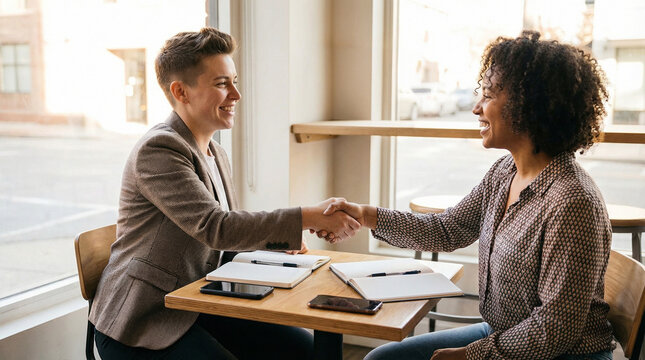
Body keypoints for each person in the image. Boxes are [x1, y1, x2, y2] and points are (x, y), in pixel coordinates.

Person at [323, 31, 615, 360]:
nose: (476, 107)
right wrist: (366, 215)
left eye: (488, 95)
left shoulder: (572, 202)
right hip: (505, 333)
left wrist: (470, 356)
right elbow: (449, 228)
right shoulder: (505, 171)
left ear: (529, 105)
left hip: (560, 354)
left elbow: (554, 329)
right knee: (382, 358)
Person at [89, 27, 359, 360]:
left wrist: (280, 242)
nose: (236, 94)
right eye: (221, 84)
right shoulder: (159, 149)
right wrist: (307, 217)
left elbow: (223, 236)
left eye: (235, 81)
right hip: (145, 319)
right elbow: (217, 227)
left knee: (304, 351)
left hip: (200, 301)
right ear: (181, 92)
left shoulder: (216, 153)